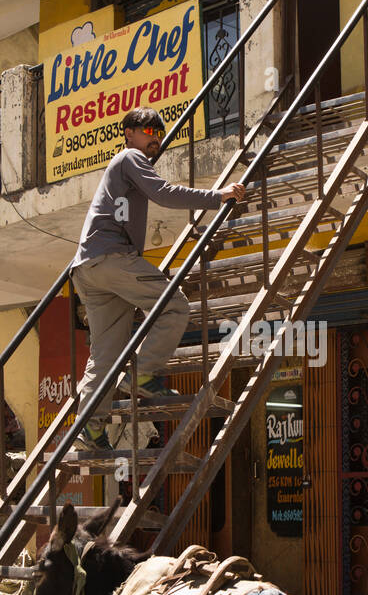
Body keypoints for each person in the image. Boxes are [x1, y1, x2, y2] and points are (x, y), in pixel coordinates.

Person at [71, 108, 246, 449]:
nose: (156, 136)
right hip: (111, 258)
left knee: (105, 354)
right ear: (129, 133)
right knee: (176, 307)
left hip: (88, 268)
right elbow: (164, 193)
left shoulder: (127, 166)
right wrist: (218, 196)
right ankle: (142, 375)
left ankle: (89, 430)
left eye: (160, 132)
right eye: (149, 129)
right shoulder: (130, 157)